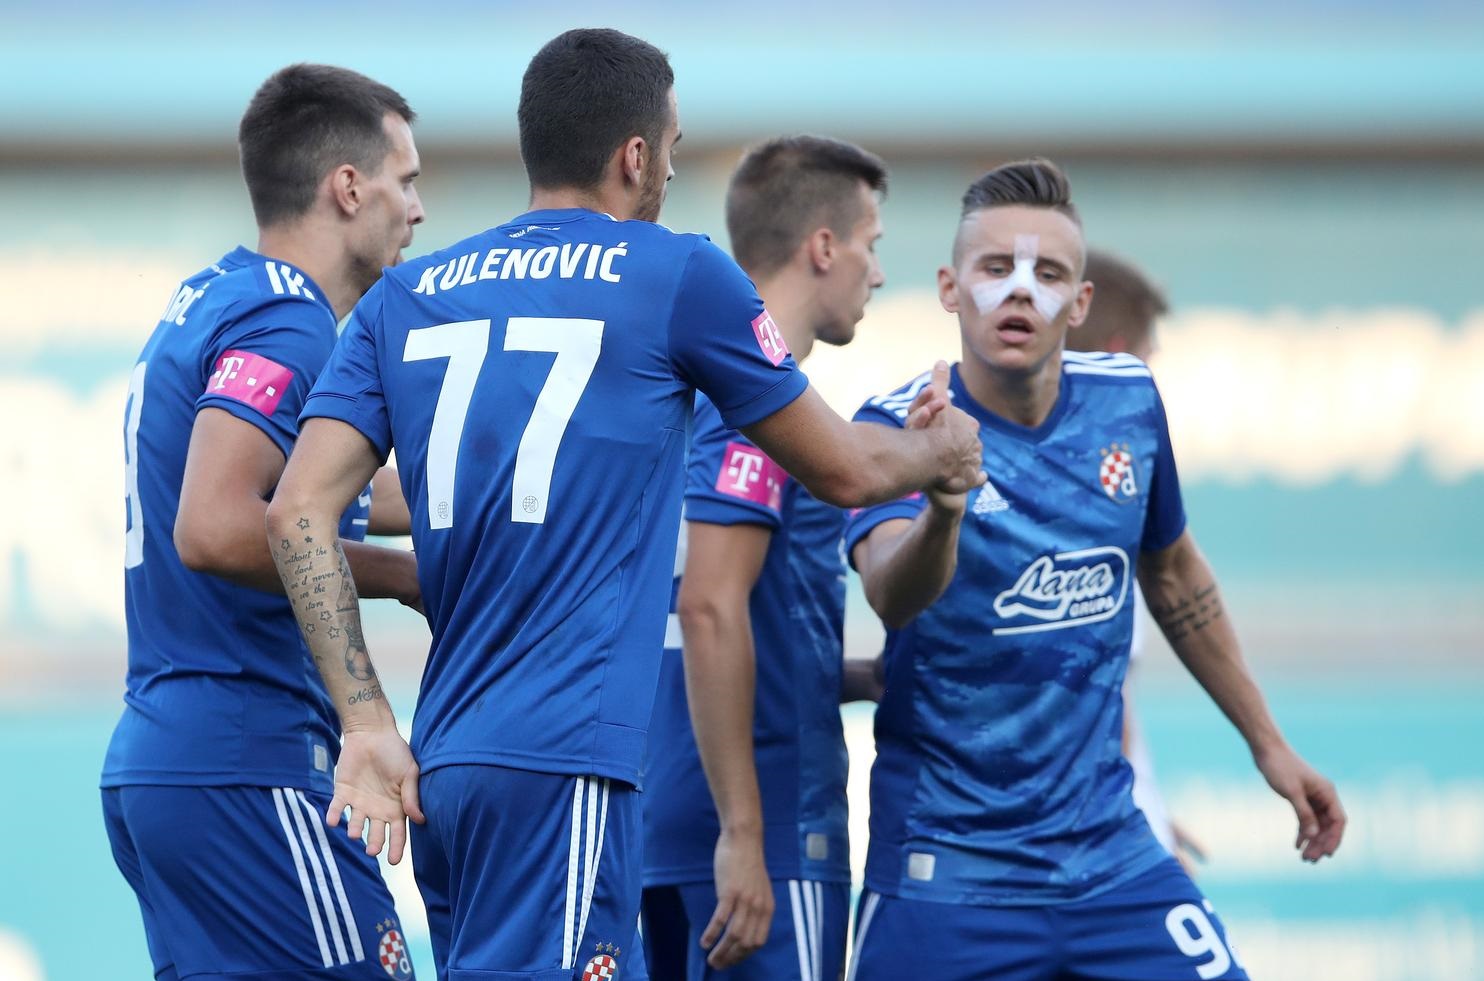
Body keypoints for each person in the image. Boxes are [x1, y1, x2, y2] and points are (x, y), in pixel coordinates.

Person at [263, 29, 983, 981]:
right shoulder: (675, 272)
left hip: (445, 765)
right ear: (635, 154)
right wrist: (941, 451)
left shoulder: (409, 297)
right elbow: (845, 468)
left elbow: (295, 512)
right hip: (567, 763)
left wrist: (364, 718)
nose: (673, 172)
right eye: (673, 148)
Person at [843, 159, 1346, 981]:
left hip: (1109, 861)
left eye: (1047, 274)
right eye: (995, 268)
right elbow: (892, 595)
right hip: (949, 870)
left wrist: (1270, 745)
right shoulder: (897, 421)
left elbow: (1176, 573)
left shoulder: (1130, 403)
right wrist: (943, 503)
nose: (1019, 291)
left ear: (1079, 303)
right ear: (949, 287)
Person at [103, 64, 426, 981]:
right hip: (250, 761)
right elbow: (213, 526)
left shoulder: (214, 294)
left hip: (178, 755)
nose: (418, 208)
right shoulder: (290, 319)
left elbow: (323, 496)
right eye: (406, 181)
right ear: (348, 186)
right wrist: (407, 579)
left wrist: (470, 510)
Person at [640, 135, 887, 981]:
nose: (877, 273)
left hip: (655, 816)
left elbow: (730, 609)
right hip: (761, 833)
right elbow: (708, 605)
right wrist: (745, 836)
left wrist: (857, 676)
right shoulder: (758, 404)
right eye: (872, 243)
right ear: (825, 247)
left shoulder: (669, 393)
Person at [1066, 249, 1205, 866]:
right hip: (1096, 847)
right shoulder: (1092, 486)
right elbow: (1096, 703)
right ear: (1121, 352)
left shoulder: (1110, 472)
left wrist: (1151, 809)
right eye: (1149, 356)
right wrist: (1139, 826)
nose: (1153, 373)